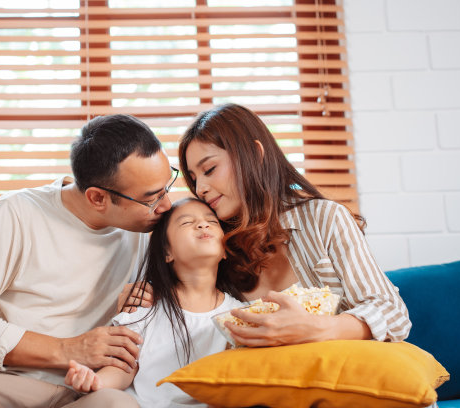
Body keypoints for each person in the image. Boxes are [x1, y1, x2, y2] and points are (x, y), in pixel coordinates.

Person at [0, 114, 179, 408]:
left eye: (168, 185)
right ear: (97, 198)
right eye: (152, 198)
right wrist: (67, 349)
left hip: (84, 392)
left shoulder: (152, 227)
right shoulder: (15, 213)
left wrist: (160, 297)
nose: (166, 205)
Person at [176, 103, 411, 347]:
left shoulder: (324, 218)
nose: (200, 188)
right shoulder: (217, 247)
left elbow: (393, 313)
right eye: (193, 179)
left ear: (254, 155)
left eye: (209, 169)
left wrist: (317, 328)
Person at [64, 198, 245, 407]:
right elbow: (123, 368)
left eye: (212, 222)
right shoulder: (143, 305)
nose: (203, 225)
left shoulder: (239, 316)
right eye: (187, 222)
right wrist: (95, 381)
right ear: (167, 252)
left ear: (224, 251)